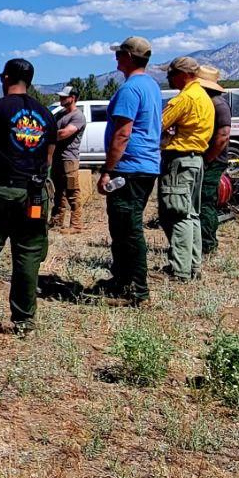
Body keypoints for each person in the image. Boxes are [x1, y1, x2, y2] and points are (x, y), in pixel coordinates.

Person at [0, 59, 57, 334]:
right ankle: (24, 321)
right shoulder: (46, 114)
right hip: (34, 194)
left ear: (6, 78)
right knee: (28, 254)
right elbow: (48, 158)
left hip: (0, 189)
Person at [94, 37, 162, 306]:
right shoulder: (152, 86)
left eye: (120, 53)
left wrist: (107, 169)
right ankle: (121, 280)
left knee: (128, 228)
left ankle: (137, 290)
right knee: (122, 227)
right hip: (145, 166)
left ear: (131, 57)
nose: (116, 58)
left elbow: (122, 133)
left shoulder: (130, 90)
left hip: (129, 168)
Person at [157, 56, 214, 281]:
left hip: (179, 161)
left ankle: (179, 269)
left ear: (182, 74)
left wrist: (166, 134)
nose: (168, 79)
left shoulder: (184, 98)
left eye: (170, 74)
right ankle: (193, 265)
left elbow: (158, 125)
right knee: (191, 214)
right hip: (195, 160)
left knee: (176, 213)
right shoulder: (204, 97)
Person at [197, 65, 230, 256]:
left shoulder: (218, 104)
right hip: (209, 158)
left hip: (213, 160)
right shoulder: (210, 102)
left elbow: (223, 135)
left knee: (205, 201)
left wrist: (209, 159)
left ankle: (208, 244)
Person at [49, 86, 87, 233]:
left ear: (73, 98)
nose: (61, 99)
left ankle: (76, 224)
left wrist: (47, 135)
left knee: (72, 191)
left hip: (69, 160)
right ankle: (57, 220)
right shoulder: (60, 115)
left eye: (64, 97)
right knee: (58, 191)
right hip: (58, 158)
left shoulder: (77, 116)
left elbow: (64, 133)